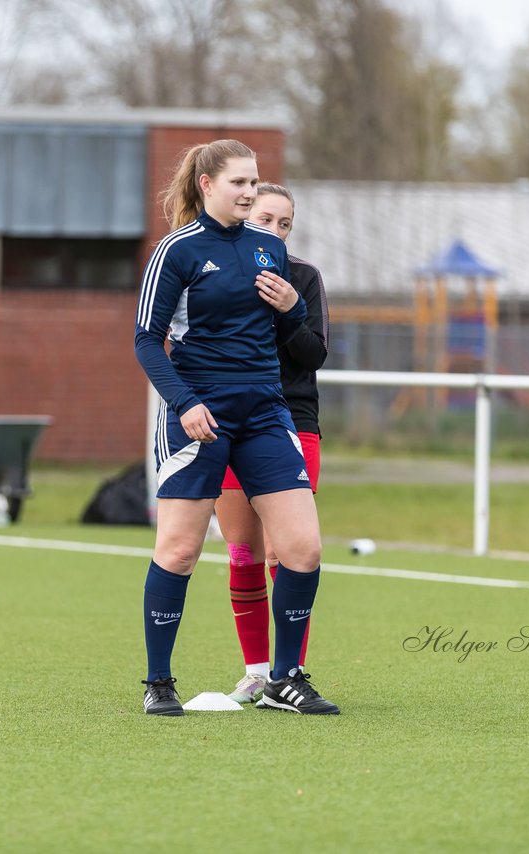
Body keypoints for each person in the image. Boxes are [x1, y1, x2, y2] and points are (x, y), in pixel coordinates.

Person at [134, 139, 339, 715]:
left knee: (302, 548)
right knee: (179, 551)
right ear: (206, 184)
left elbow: (294, 335)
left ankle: (285, 678)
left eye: (255, 182)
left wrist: (294, 305)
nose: (250, 192)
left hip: (267, 416)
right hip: (198, 417)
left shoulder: (267, 249)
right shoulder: (175, 251)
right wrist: (184, 403)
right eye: (239, 183)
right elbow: (147, 340)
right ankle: (158, 683)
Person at [214, 183, 330, 704]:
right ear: (242, 216)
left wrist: (290, 309)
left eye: (285, 223)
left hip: (292, 423)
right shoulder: (211, 271)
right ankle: (257, 672)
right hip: (232, 424)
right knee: (243, 552)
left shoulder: (303, 278)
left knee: (292, 553)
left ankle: (290, 673)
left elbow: (314, 355)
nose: (276, 231)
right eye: (266, 219)